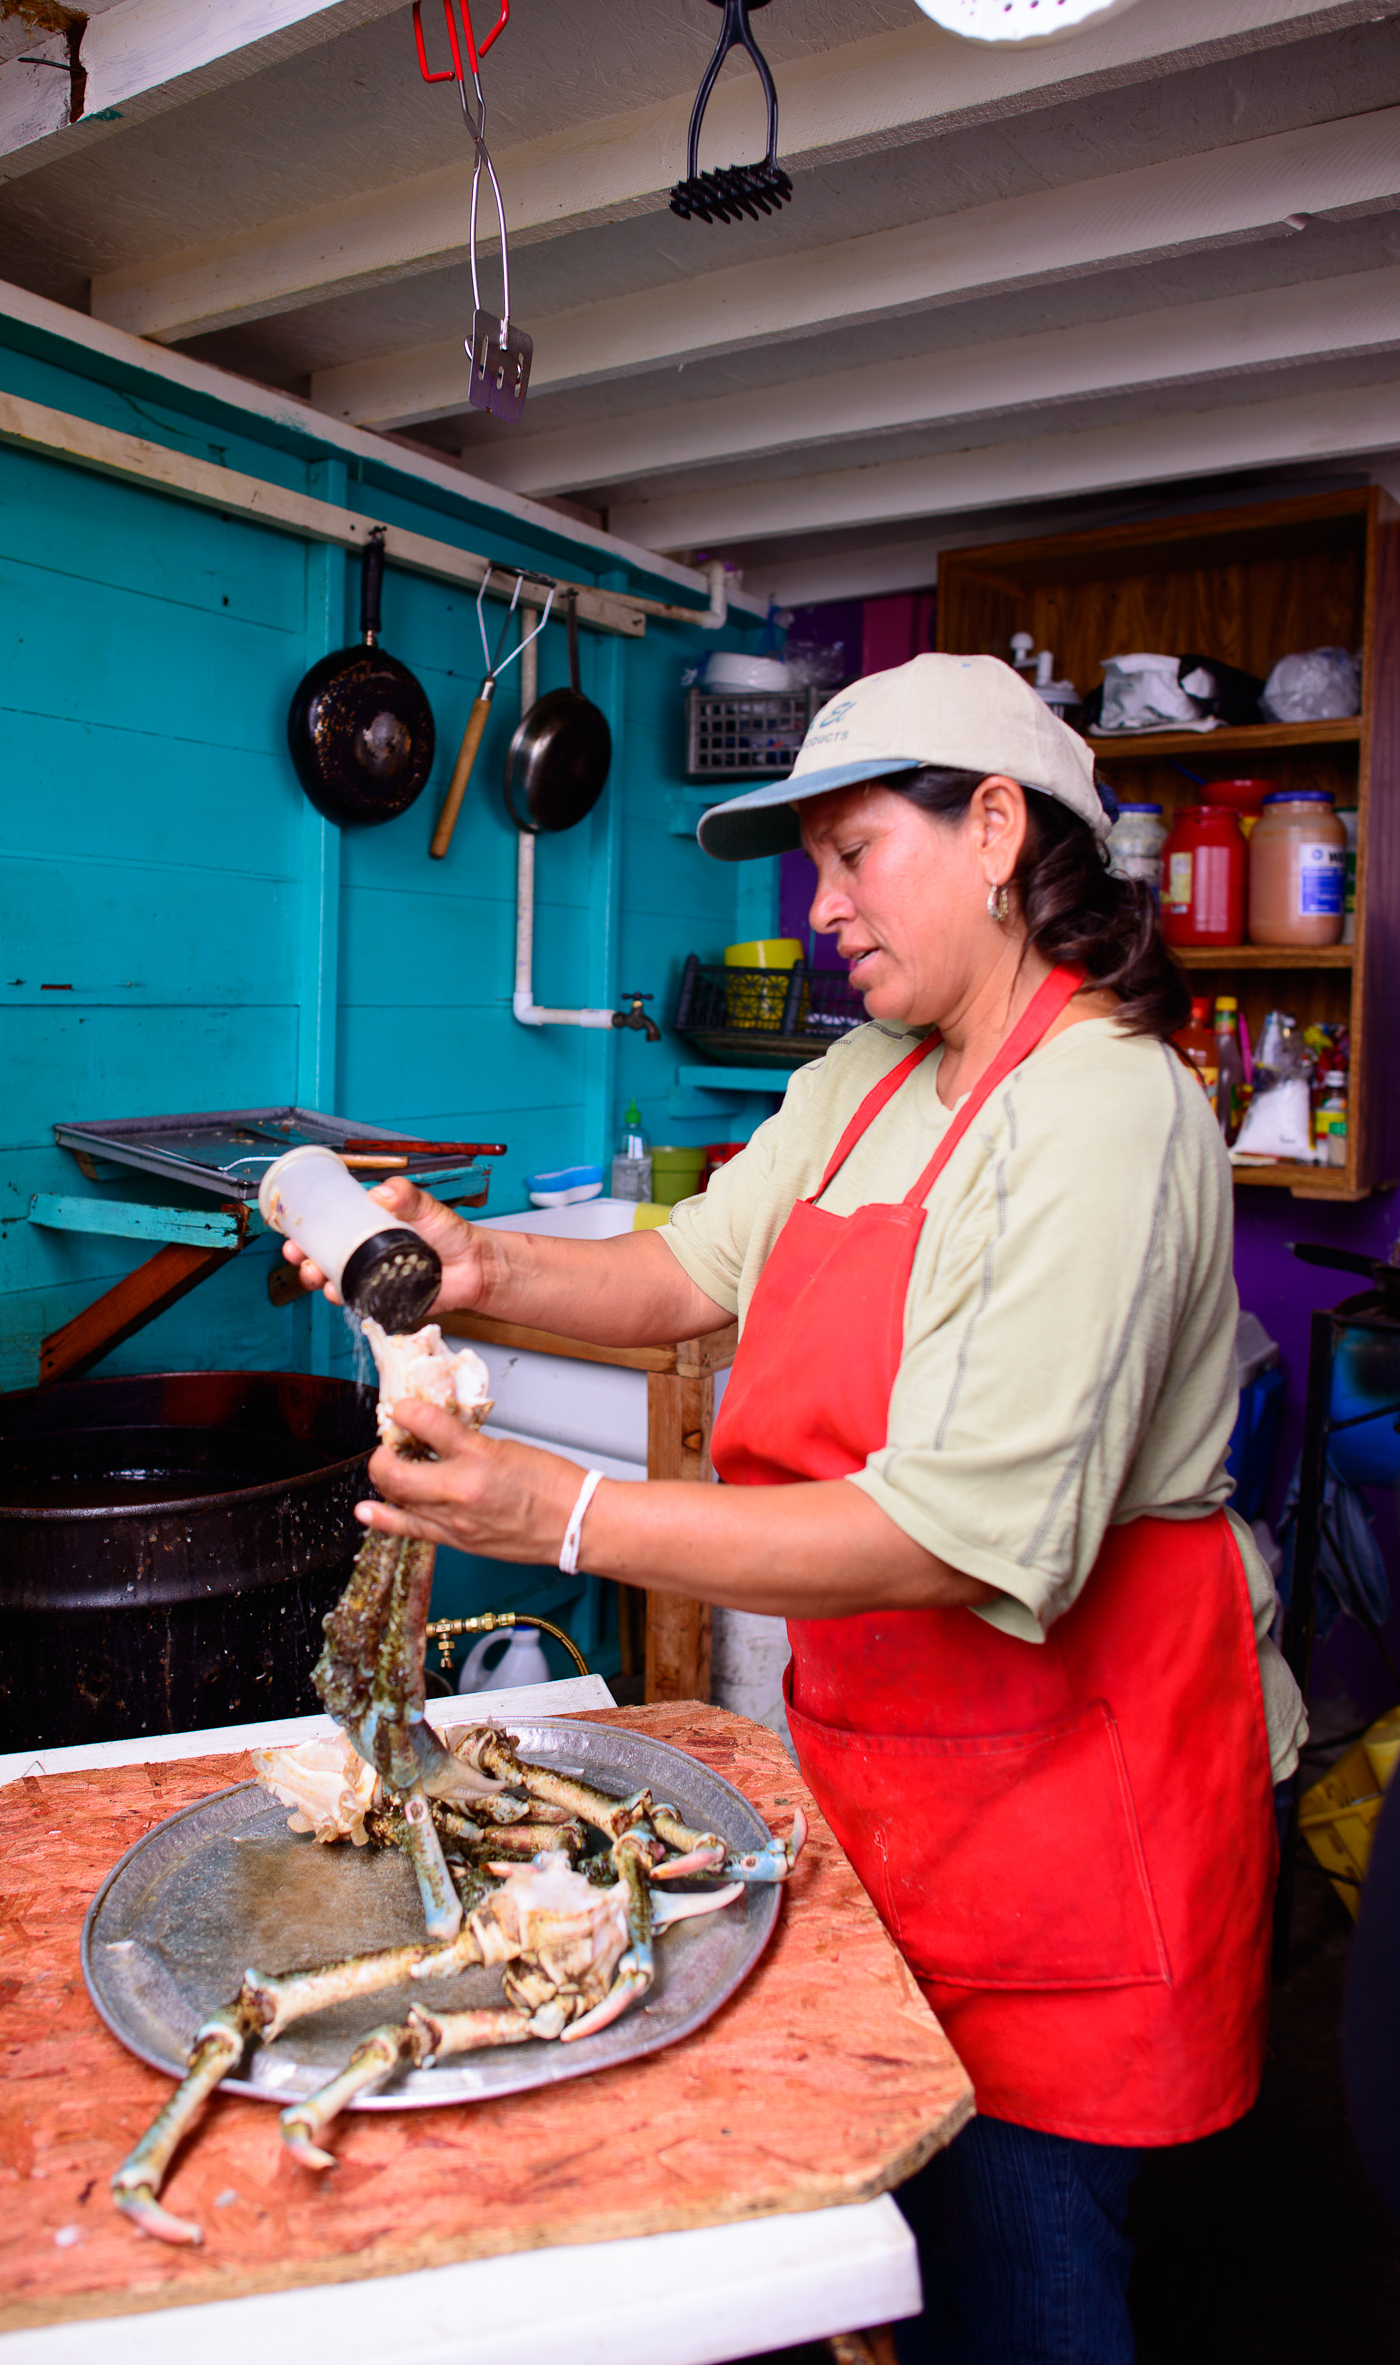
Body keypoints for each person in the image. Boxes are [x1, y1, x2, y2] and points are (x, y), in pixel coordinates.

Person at [281, 653, 1305, 2365]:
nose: (822, 910)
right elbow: (686, 1266)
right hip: (891, 1781)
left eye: (852, 857)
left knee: (1025, 2280)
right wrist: (475, 1263)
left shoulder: (1106, 1107)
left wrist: (568, 1514)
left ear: (996, 832)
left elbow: (948, 1536)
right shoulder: (867, 1081)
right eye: (815, 867)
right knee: (874, 2260)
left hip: (1073, 1813)